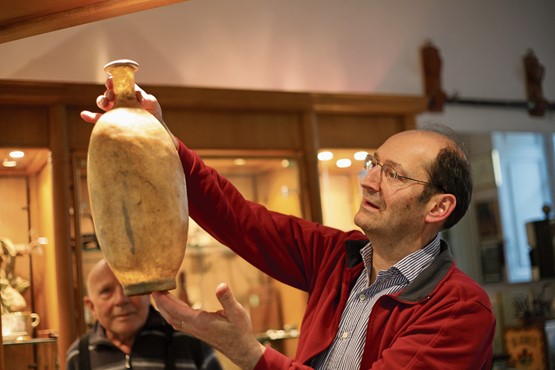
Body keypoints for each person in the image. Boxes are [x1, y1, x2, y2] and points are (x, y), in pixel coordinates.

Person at [81, 80, 496, 370]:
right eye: (373, 164)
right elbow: (240, 219)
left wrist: (248, 353)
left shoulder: (459, 310)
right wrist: (160, 140)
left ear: (438, 207)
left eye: (394, 174)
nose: (368, 180)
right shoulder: (339, 257)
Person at [65, 258, 222, 370]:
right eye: (106, 291)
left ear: (148, 293)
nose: (121, 300)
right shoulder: (79, 355)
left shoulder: (189, 342)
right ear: (91, 306)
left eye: (131, 287)